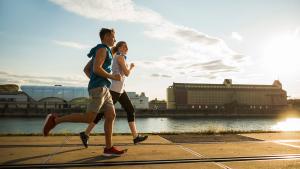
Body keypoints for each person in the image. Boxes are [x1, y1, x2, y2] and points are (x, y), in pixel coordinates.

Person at [42, 28, 127, 156]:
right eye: (114, 37)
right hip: (99, 89)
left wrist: (96, 80)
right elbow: (96, 69)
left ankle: (108, 148)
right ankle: (55, 120)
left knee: (111, 115)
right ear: (107, 36)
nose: (115, 39)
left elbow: (87, 69)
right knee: (89, 118)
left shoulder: (103, 50)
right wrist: (111, 77)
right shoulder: (102, 49)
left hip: (104, 88)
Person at [79, 41, 148, 148]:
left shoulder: (120, 57)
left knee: (130, 110)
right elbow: (127, 73)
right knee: (102, 113)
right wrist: (131, 67)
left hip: (120, 90)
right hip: (114, 89)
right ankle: (86, 133)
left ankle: (135, 137)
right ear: (119, 48)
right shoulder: (119, 57)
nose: (126, 48)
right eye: (123, 46)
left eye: (126, 46)